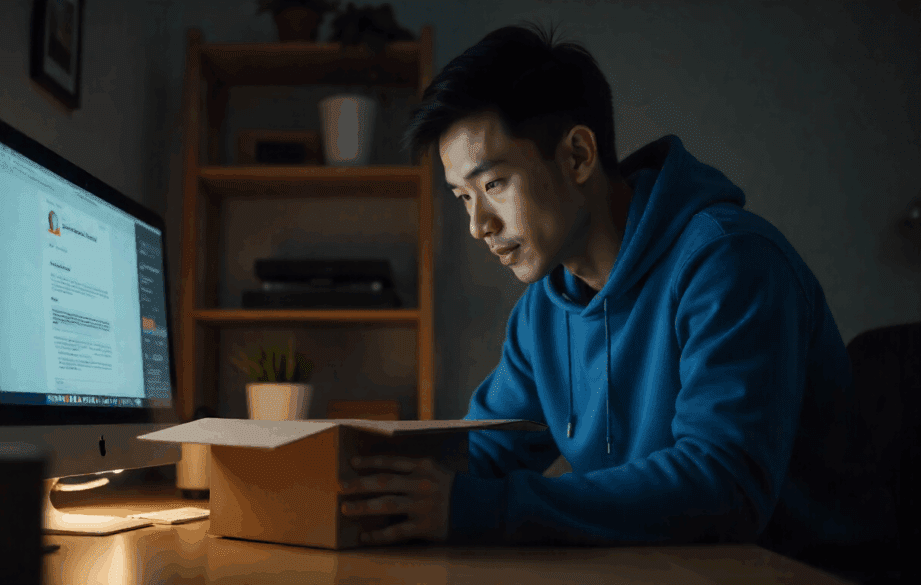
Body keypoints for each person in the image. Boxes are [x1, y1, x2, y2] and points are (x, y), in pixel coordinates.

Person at [338, 21, 883, 561]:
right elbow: (483, 453)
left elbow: (724, 486)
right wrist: (364, 487)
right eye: (462, 197)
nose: (479, 224)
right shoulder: (542, 312)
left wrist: (482, 508)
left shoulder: (731, 262)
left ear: (577, 155)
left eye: (493, 185)